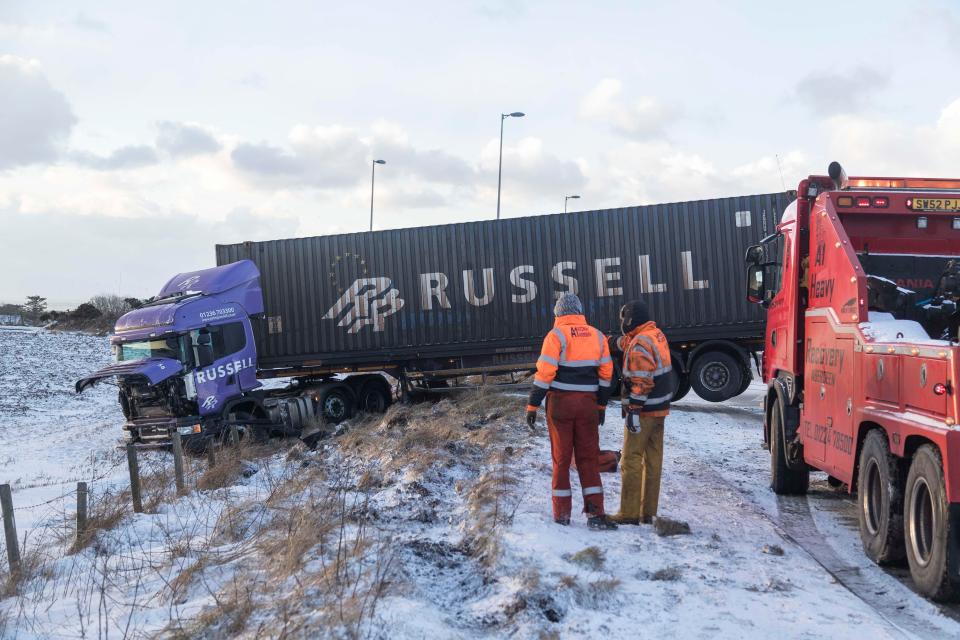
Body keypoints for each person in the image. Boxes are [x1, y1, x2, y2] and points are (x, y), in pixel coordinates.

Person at [526, 292, 617, 529]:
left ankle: (562, 515)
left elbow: (545, 374)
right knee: (588, 459)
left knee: (562, 460)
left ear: (558, 313)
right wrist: (601, 405)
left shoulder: (555, 336)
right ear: (579, 311)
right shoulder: (597, 336)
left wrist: (533, 405)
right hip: (587, 405)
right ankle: (596, 515)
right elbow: (607, 375)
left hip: (560, 406)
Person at [611, 300, 677, 525]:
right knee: (653, 460)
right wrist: (611, 341)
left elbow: (641, 382)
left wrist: (633, 411)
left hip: (645, 410)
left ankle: (628, 514)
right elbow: (629, 342)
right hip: (660, 410)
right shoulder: (655, 334)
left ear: (631, 319)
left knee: (631, 459)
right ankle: (648, 513)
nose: (622, 322)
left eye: (624, 318)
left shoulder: (640, 344)